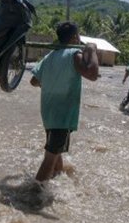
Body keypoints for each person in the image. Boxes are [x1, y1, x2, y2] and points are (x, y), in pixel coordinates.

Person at [30, 21, 99, 183]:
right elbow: (92, 74)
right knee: (50, 157)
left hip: (48, 114)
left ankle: (57, 181)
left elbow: (34, 81)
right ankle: (33, 196)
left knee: (56, 152)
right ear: (75, 37)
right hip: (62, 115)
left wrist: (52, 81)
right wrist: (92, 50)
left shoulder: (48, 57)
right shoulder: (75, 54)